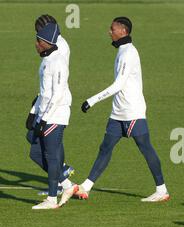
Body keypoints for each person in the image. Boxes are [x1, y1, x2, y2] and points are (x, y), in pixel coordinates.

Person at [59, 17, 169, 205]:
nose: (109, 32)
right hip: (118, 113)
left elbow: (119, 84)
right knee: (105, 148)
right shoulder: (122, 51)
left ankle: (161, 190)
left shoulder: (129, 54)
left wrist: (91, 100)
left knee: (146, 148)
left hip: (132, 112)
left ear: (123, 31)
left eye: (112, 29)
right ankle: (86, 186)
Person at [28, 14, 75, 196]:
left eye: (39, 34)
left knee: (50, 151)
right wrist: (35, 109)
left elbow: (58, 88)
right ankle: (63, 180)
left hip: (56, 107)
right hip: (46, 102)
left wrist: (44, 115)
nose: (37, 40)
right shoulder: (48, 52)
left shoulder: (59, 50)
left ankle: (59, 185)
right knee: (35, 144)